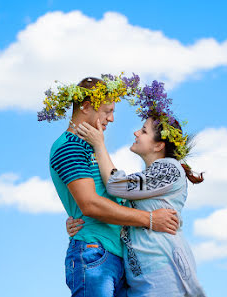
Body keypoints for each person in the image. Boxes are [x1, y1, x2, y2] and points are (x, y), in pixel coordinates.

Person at [38, 75, 180, 297]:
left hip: (113, 256)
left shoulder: (92, 147)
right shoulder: (69, 147)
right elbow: (90, 205)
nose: (112, 119)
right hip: (94, 254)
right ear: (86, 107)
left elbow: (105, 195)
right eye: (107, 111)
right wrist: (150, 220)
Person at [67, 79, 206, 296]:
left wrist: (99, 145)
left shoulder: (170, 169)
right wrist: (82, 222)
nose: (136, 133)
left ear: (159, 145)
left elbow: (116, 185)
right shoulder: (146, 180)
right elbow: (117, 206)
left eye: (143, 131)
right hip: (139, 276)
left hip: (162, 270)